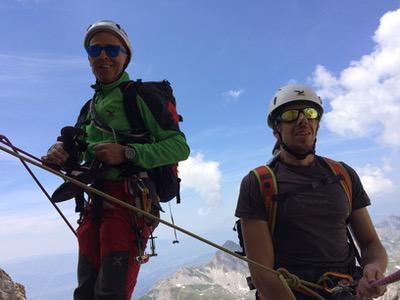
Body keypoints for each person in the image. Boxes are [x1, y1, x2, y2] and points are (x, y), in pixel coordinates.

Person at [42, 20, 190, 300]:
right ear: (88, 57)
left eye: (112, 49)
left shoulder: (140, 96)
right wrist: (60, 154)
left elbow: (179, 147)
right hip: (93, 203)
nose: (103, 56)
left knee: (110, 294)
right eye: (95, 49)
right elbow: (81, 154)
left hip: (129, 204)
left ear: (125, 56)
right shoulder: (89, 108)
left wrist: (127, 153)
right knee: (86, 291)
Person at [235, 83, 388, 300]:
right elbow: (263, 275)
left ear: (317, 123)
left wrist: (373, 267)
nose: (302, 120)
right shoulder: (258, 183)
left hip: (346, 289)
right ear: (276, 129)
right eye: (290, 114)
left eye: (310, 112)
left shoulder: (343, 174)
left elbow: (370, 243)